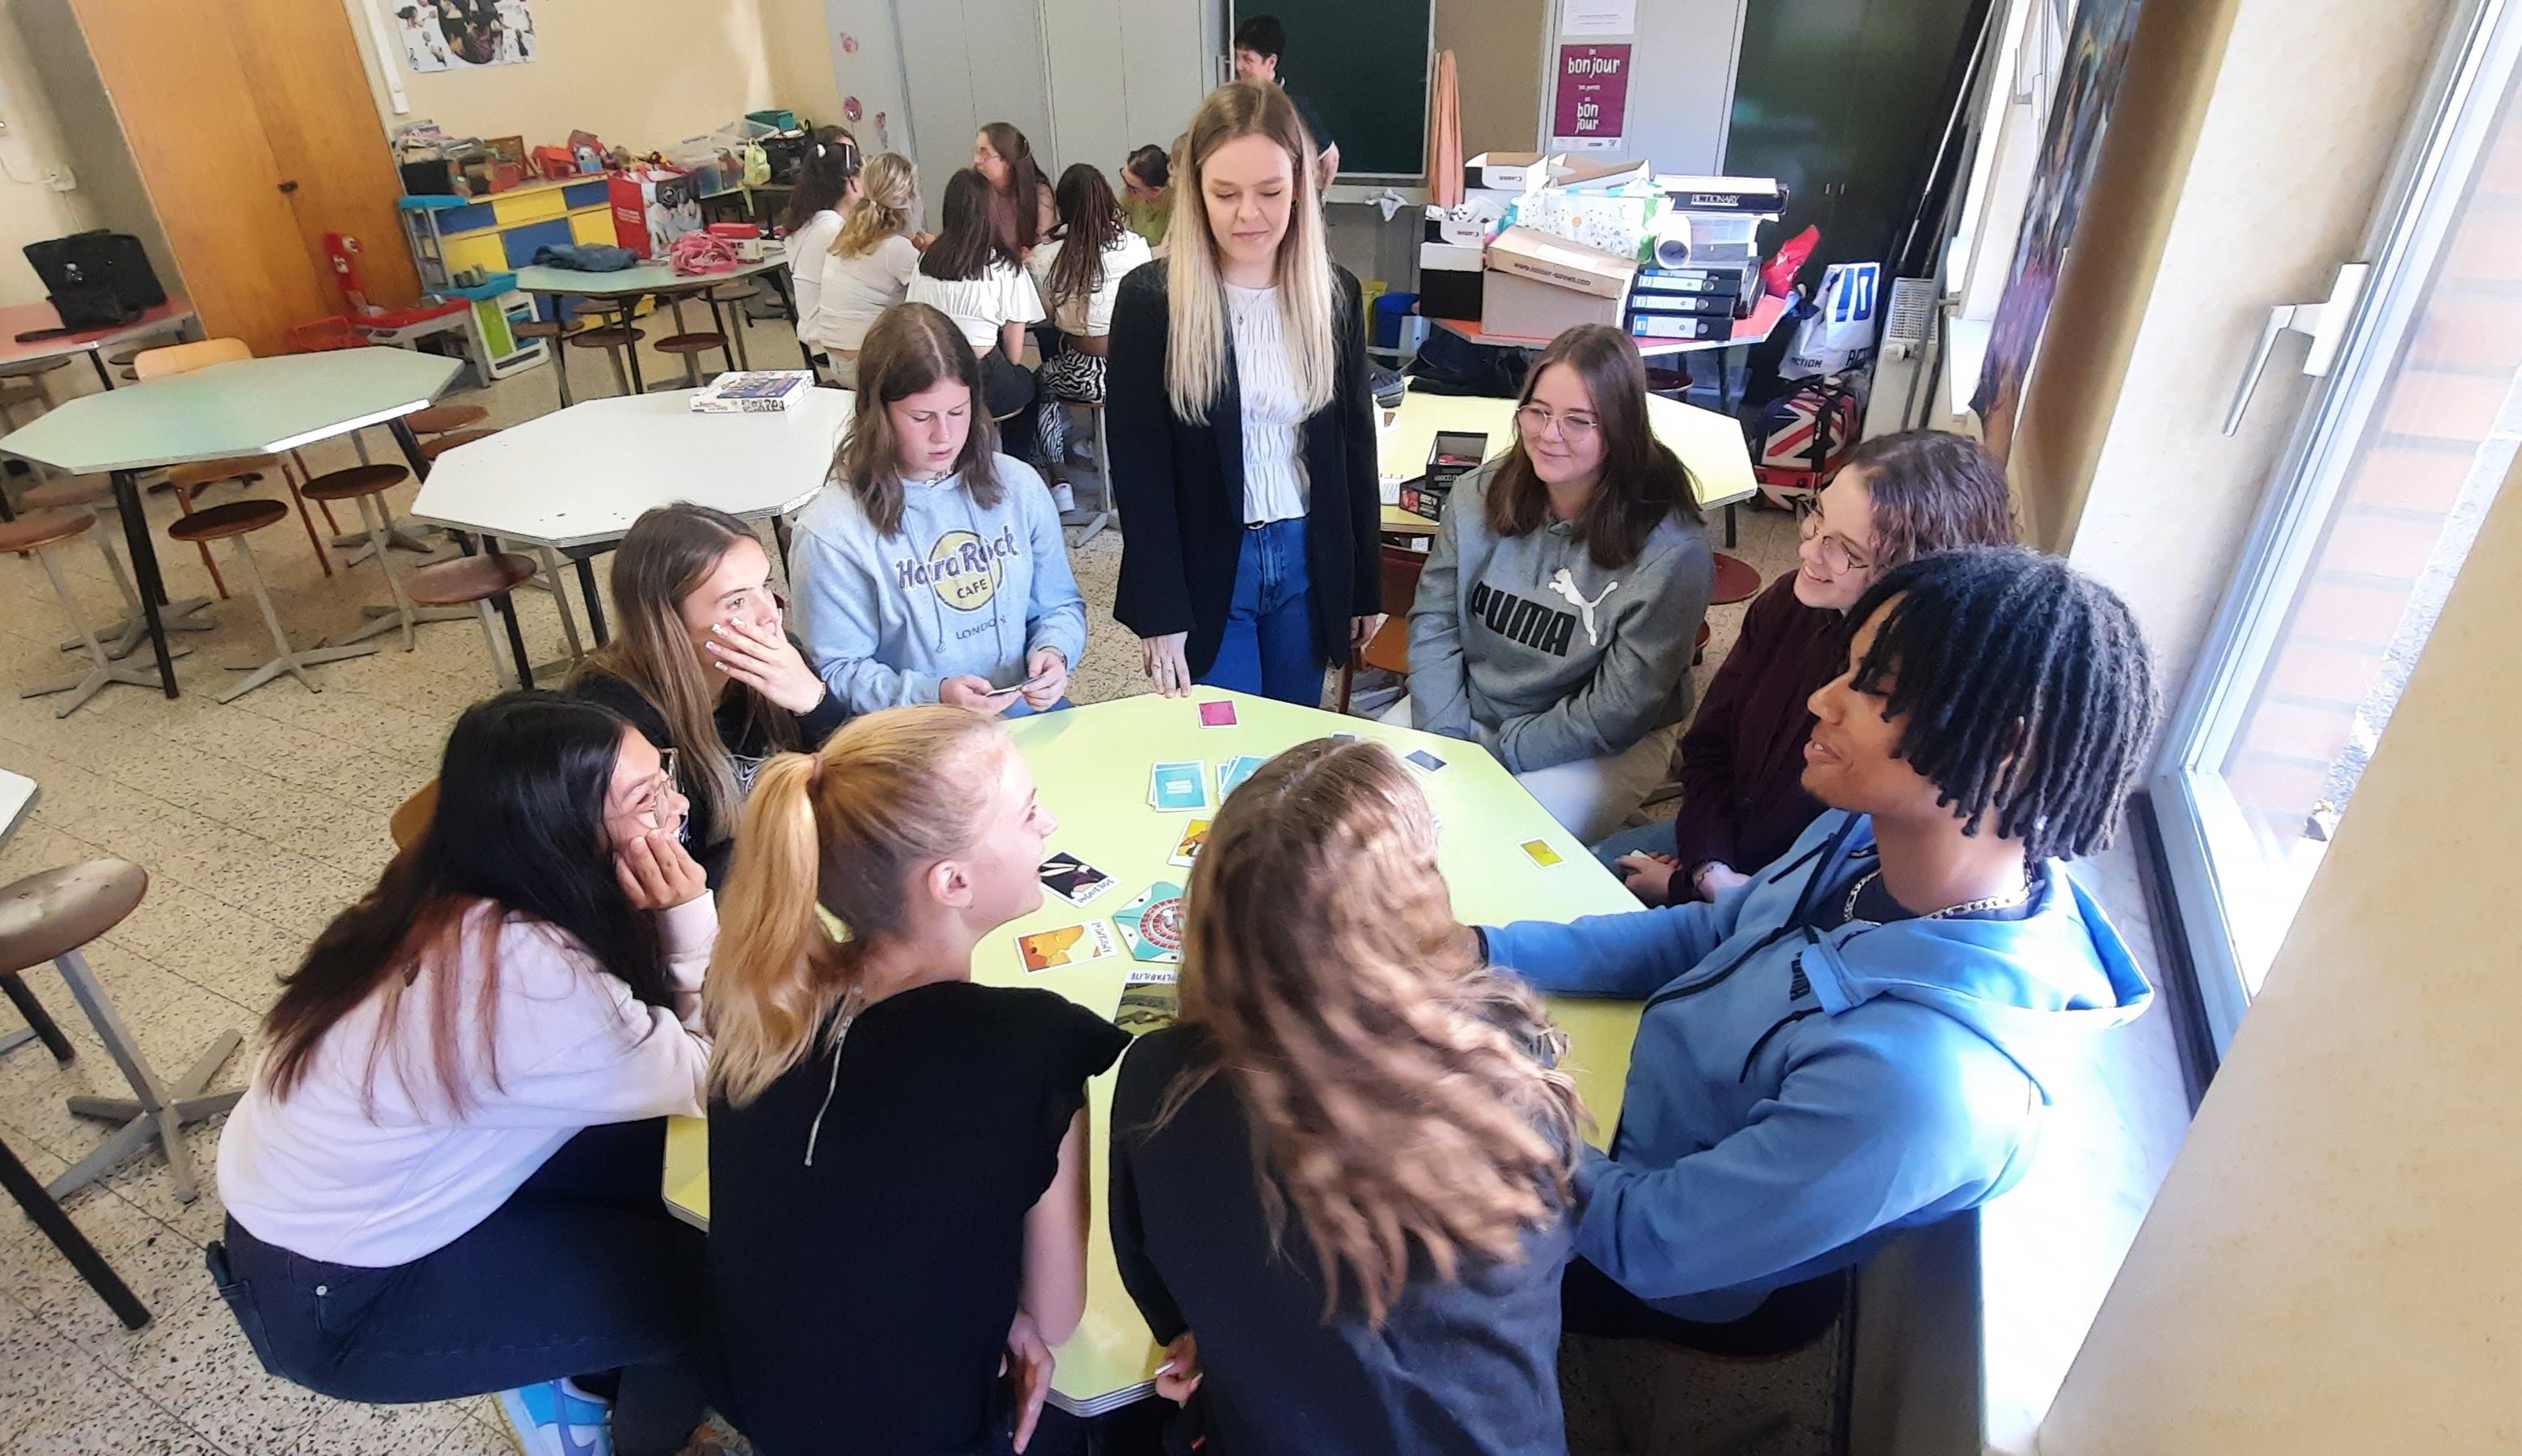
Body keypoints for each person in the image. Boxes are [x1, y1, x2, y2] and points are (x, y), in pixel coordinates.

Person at [1467, 546, 2159, 1344]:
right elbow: (1713, 930)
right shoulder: (1861, 833)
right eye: (1847, 670)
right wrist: (1480, 949)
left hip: (1631, 1247)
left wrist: (1491, 1102)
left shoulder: (1923, 1084)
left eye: (1874, 689)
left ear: (2006, 749)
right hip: (1613, 1103)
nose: (1822, 700)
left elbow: (1646, 1239)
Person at [209, 692, 718, 1456]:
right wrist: (688, 915)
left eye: (663, 777)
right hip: (344, 1299)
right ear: (559, 830)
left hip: (319, 1225)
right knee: (704, 1302)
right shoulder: (530, 978)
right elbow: (707, 1073)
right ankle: (628, 1437)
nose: (677, 806)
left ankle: (568, 1352)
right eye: (647, 798)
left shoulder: (447, 882)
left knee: (659, 1171)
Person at [1110, 739, 1585, 1454]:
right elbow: (1551, 1251)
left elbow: (1161, 1294)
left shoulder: (1157, 1080)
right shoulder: (1507, 1077)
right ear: (1416, 904)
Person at [705, 705, 1128, 1455]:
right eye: (1028, 813)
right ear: (953, 882)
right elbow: (1057, 1318)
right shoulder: (1031, 1045)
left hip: (774, 1413)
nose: (1050, 825)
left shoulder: (763, 1006)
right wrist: (1010, 1310)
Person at [1598, 430, 2019, 904]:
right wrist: (1707, 869)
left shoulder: (1931, 699)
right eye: (1817, 514)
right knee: (1582, 868)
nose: (1807, 550)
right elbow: (1709, 749)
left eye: (1846, 550)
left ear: (1919, 571)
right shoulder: (1787, 603)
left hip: (1802, 905)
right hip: (1720, 853)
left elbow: (1852, 886)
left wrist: (1705, 895)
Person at [1108, 81, 1380, 705]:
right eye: (1225, 194)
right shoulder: (1152, 301)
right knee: (1225, 742)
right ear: (1196, 192)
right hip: (1207, 565)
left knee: (1292, 740)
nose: (1248, 215)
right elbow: (1140, 467)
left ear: (1301, 187)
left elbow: (1353, 448)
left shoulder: (1333, 294)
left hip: (1305, 556)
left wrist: (1363, 583)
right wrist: (1160, 609)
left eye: (1271, 192)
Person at [1395, 324, 1712, 842]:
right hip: (1469, 710)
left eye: (1578, 421)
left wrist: (1497, 753)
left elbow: (1617, 712)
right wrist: (1447, 735)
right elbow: (1434, 620)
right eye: (1537, 412)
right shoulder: (1476, 494)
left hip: (1594, 743)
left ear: (1620, 429)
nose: (1548, 434)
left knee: (1489, 844)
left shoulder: (1674, 550)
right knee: (1377, 820)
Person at [788, 301, 1085, 721]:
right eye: (921, 416)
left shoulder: (1018, 485)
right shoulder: (830, 531)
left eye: (958, 412)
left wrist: (1055, 649)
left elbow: (1059, 605)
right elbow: (835, 671)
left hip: (1020, 711)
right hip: (915, 732)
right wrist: (936, 694)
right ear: (877, 415)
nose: (944, 435)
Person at [569, 504, 849, 888]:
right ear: (669, 623)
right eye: (736, 601)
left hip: (793, 873)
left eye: (765, 585)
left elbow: (860, 786)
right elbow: (665, 869)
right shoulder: (613, 715)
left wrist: (814, 702)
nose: (770, 614)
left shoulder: (783, 657)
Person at [1028, 163, 1153, 495]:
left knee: (1039, 383)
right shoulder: (1136, 246)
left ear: (1063, 206)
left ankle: (1060, 480)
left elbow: (1046, 314)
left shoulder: (1047, 255)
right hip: (1131, 370)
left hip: (1082, 371)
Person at [908, 167, 1048, 464]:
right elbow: (1014, 355)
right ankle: (1017, 462)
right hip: (986, 377)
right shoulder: (1005, 266)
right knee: (1030, 384)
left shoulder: (925, 261)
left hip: (934, 371)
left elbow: (914, 319)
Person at [798, 151, 926, 387]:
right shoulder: (896, 248)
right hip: (869, 365)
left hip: (835, 359)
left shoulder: (846, 235)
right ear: (909, 197)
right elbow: (929, 300)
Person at [782, 127, 865, 363]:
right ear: (852, 183)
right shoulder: (831, 229)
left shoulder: (814, 220)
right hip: (829, 342)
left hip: (820, 336)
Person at [1232, 15, 1339, 186]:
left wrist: (1316, 197)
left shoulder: (1295, 107)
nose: (1239, 66)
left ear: (1271, 62)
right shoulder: (1231, 102)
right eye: (1237, 57)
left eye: (1247, 59)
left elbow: (1331, 159)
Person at [974, 121, 1053, 258]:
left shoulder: (1039, 194)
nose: (976, 160)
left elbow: (1044, 250)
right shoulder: (977, 193)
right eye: (976, 152)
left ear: (1008, 161)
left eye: (985, 155)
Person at [1119, 143, 1173, 247]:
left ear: (1155, 191)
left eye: (1133, 189)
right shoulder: (1126, 198)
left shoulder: (1176, 204)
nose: (1125, 191)